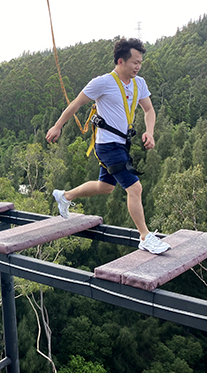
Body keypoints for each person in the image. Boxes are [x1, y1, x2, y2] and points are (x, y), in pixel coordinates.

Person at [45, 38, 170, 254]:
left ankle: (65, 196)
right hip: (106, 145)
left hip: (122, 144)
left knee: (106, 187)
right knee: (135, 187)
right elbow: (75, 104)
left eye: (140, 62)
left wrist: (149, 132)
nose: (138, 67)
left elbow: (149, 110)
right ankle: (145, 236)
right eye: (134, 62)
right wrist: (57, 127)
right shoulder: (102, 83)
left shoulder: (139, 84)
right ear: (121, 61)